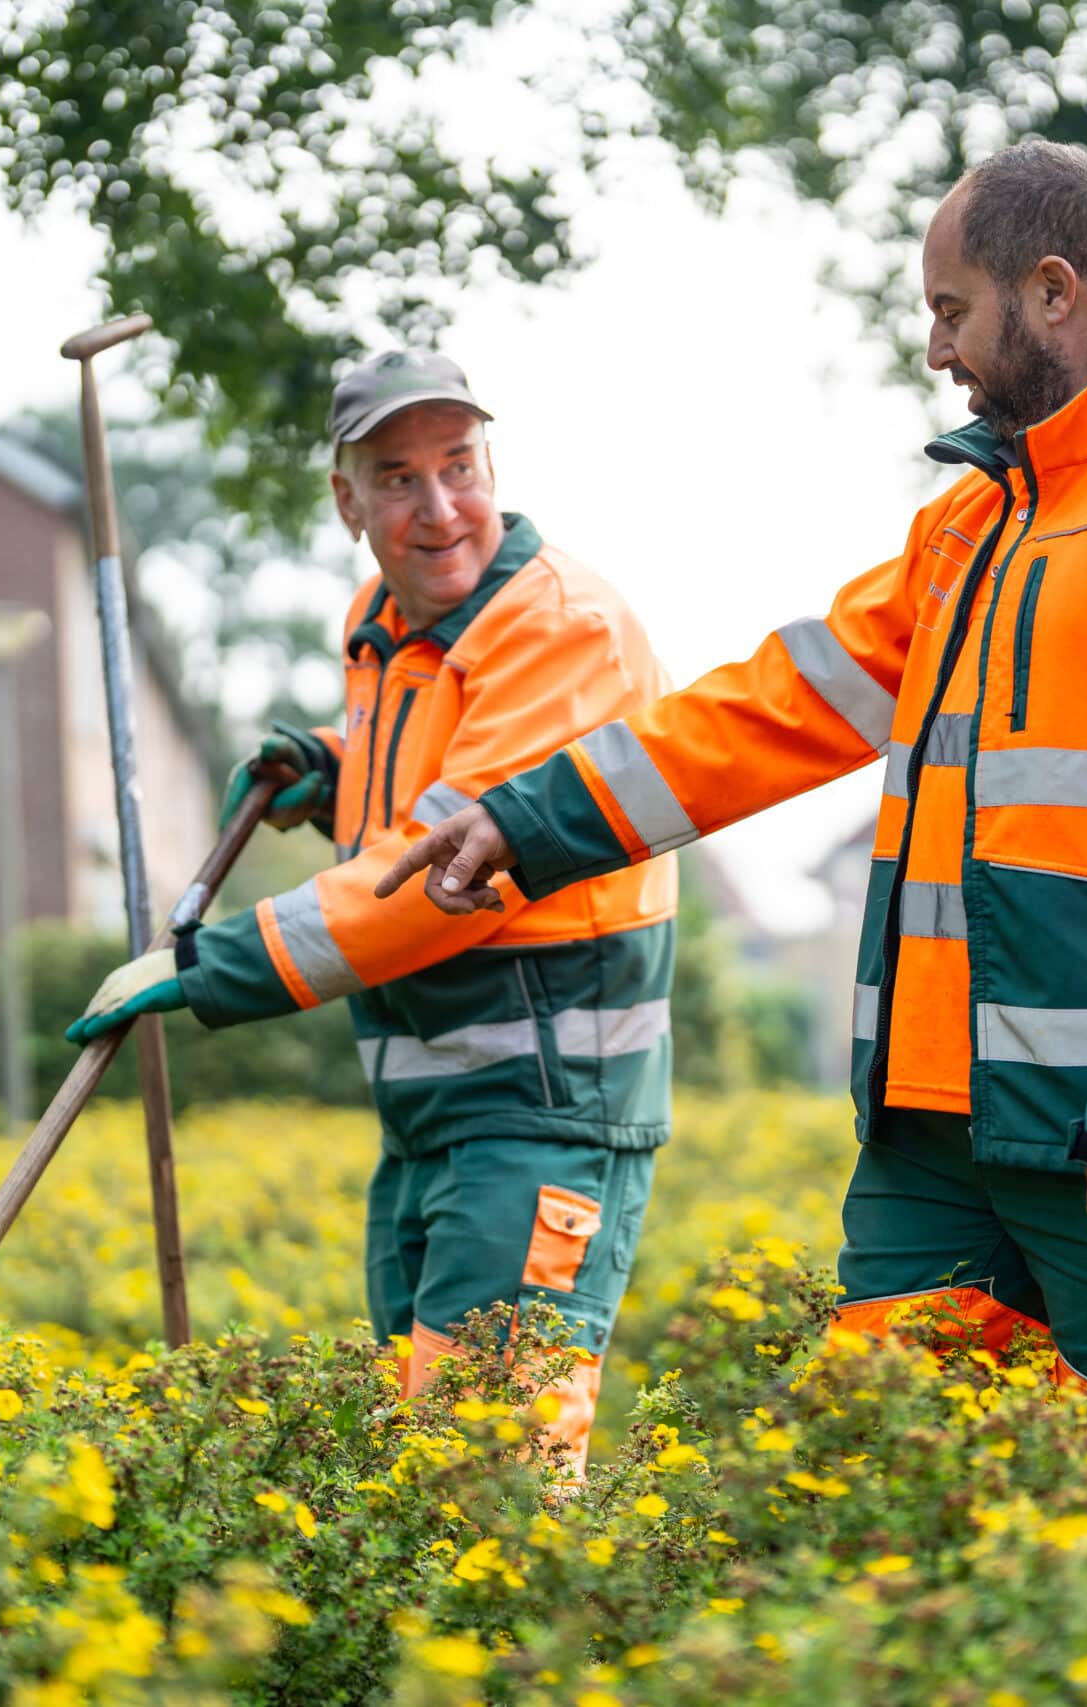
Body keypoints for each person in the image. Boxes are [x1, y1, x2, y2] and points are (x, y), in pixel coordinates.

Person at [378, 142, 1087, 1533]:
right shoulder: (979, 520)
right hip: (941, 1135)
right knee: (872, 1497)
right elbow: (776, 706)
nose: (939, 347)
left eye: (952, 309)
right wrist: (529, 818)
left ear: (1055, 290)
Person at [71, 350, 677, 1473]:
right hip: (428, 1115)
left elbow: (445, 878)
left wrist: (219, 966)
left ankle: (535, 1652)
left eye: (459, 465)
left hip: (544, 1109)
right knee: (421, 1460)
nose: (439, 508)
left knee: (489, 1467)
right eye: (397, 478)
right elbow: (437, 781)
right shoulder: (386, 622)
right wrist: (338, 769)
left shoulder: (560, 631)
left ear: (493, 465)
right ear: (346, 503)